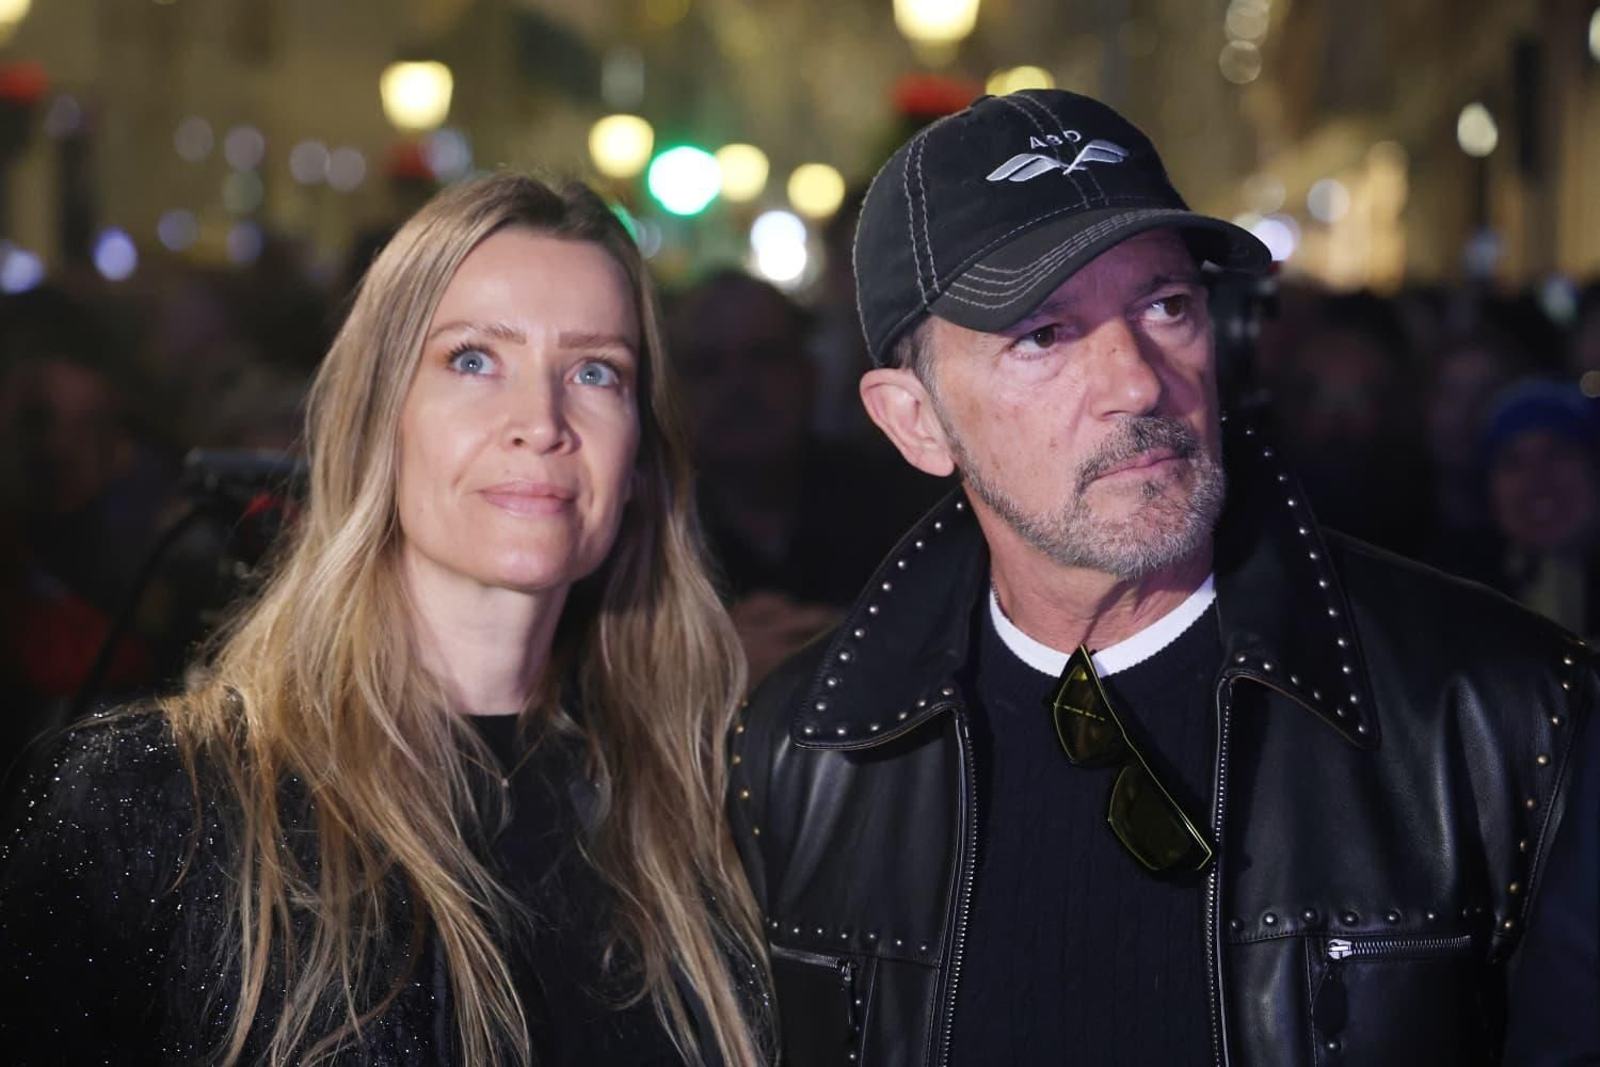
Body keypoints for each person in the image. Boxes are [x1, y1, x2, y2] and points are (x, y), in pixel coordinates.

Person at [728, 89, 1597, 1065]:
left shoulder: (1508, 713)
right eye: (1042, 336)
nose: (1139, 380)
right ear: (914, 421)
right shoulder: (799, 755)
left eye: (1165, 304)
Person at [0, 174, 773, 1066]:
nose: (542, 421)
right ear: (376, 418)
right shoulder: (156, 803)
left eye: (595, 370)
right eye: (475, 359)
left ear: (640, 454)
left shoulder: (705, 805)